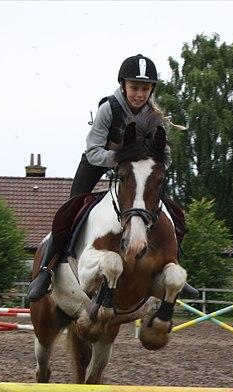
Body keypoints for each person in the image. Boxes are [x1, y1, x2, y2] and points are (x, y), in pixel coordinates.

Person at [28, 54, 197, 302]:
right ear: (123, 86)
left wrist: (151, 165)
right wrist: (121, 158)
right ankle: (46, 270)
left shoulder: (154, 116)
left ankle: (174, 264)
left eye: (145, 88)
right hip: (100, 160)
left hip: (139, 171)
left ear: (151, 89)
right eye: (134, 88)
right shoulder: (109, 108)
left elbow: (166, 157)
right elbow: (93, 150)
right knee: (69, 210)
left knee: (171, 211)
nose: (139, 94)